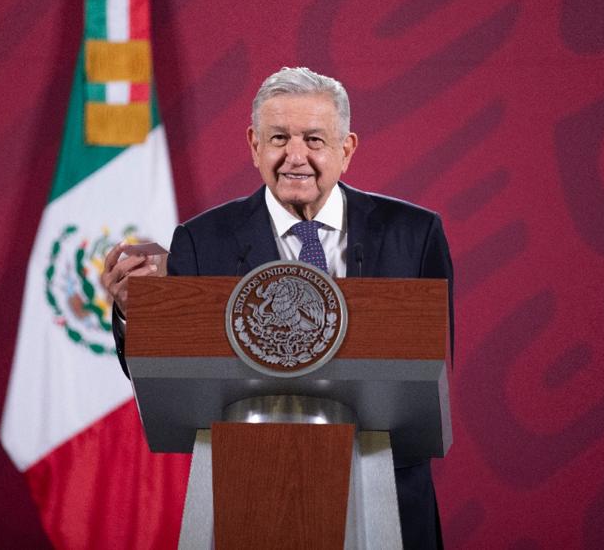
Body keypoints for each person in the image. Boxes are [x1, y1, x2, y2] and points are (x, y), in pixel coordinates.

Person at [101, 66, 454, 549]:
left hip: (384, 491)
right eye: (279, 138)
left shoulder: (414, 234)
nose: (295, 156)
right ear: (254, 145)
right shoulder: (202, 241)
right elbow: (167, 371)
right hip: (250, 490)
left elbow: (428, 369)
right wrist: (138, 312)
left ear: (347, 149)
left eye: (314, 139)